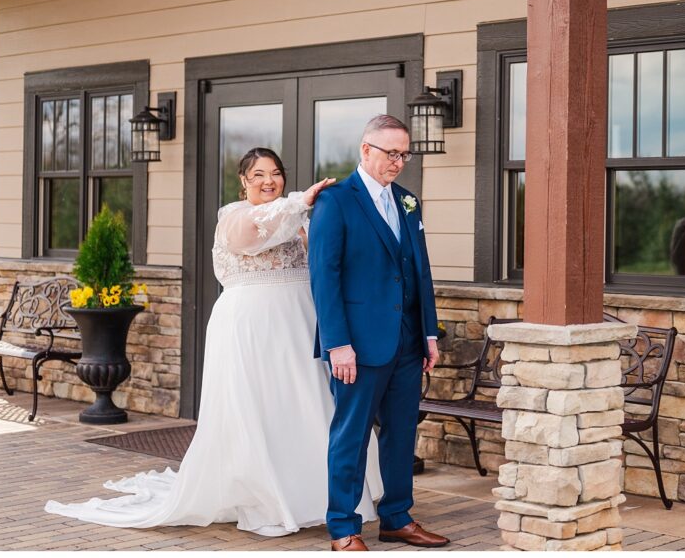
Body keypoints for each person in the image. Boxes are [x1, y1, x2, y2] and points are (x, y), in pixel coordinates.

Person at [46, 147, 383, 537]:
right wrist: (297, 202)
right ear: (243, 181)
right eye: (258, 175)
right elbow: (253, 236)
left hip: (300, 321)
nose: (269, 181)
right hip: (251, 325)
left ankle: (320, 493)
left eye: (275, 173)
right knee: (258, 408)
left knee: (307, 403)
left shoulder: (297, 221)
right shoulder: (234, 217)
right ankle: (265, 496)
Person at [309, 115, 448, 551]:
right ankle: (343, 528)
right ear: (365, 149)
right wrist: (337, 344)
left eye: (404, 154)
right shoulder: (336, 201)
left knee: (402, 432)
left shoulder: (408, 201)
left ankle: (396, 518)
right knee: (350, 436)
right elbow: (324, 277)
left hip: (407, 341)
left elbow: (420, 272)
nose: (398, 162)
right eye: (391, 153)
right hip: (357, 344)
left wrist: (428, 335)